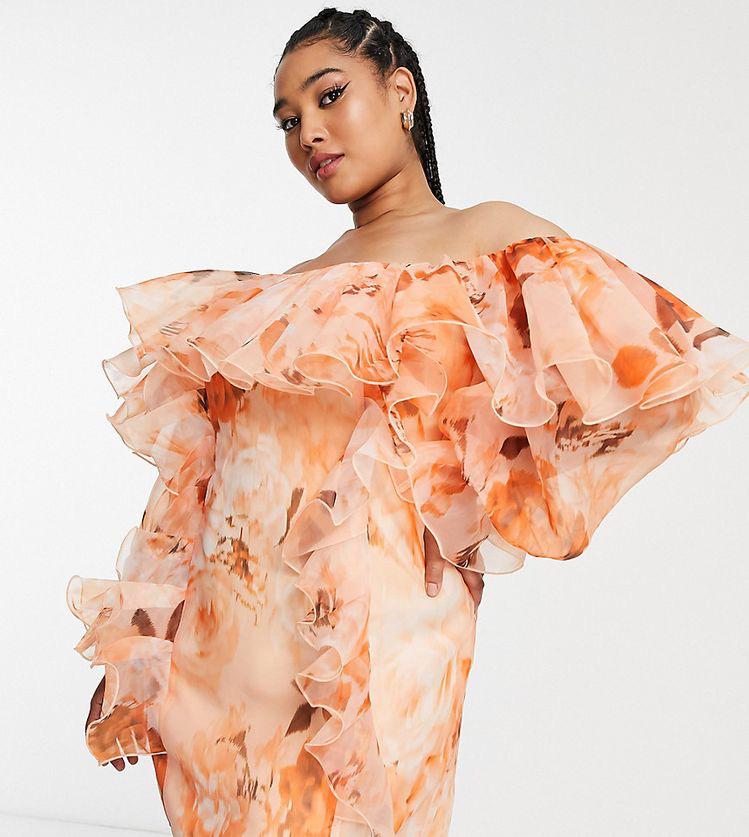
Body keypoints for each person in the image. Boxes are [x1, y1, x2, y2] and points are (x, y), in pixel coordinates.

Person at [65, 7, 749, 836]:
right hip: (227, 659)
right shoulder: (273, 300)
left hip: (385, 636)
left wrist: (485, 497)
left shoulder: (491, 241)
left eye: (328, 96)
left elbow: (634, 371)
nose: (308, 133)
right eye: (288, 121)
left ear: (400, 93)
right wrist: (143, 647)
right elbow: (195, 492)